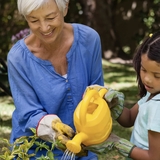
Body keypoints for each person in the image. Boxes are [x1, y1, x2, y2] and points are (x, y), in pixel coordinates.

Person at [7, 0, 104, 159]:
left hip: (84, 148)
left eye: (50, 18)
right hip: (35, 150)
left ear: (64, 8)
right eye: (34, 20)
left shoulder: (89, 39)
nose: (44, 27)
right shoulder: (18, 58)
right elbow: (29, 113)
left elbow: (96, 93)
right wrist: (53, 128)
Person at [84, 31, 160, 160]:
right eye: (143, 69)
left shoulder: (157, 107)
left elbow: (154, 157)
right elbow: (129, 118)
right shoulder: (152, 95)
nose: (147, 79)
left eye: (157, 75)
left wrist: (118, 144)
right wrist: (114, 105)